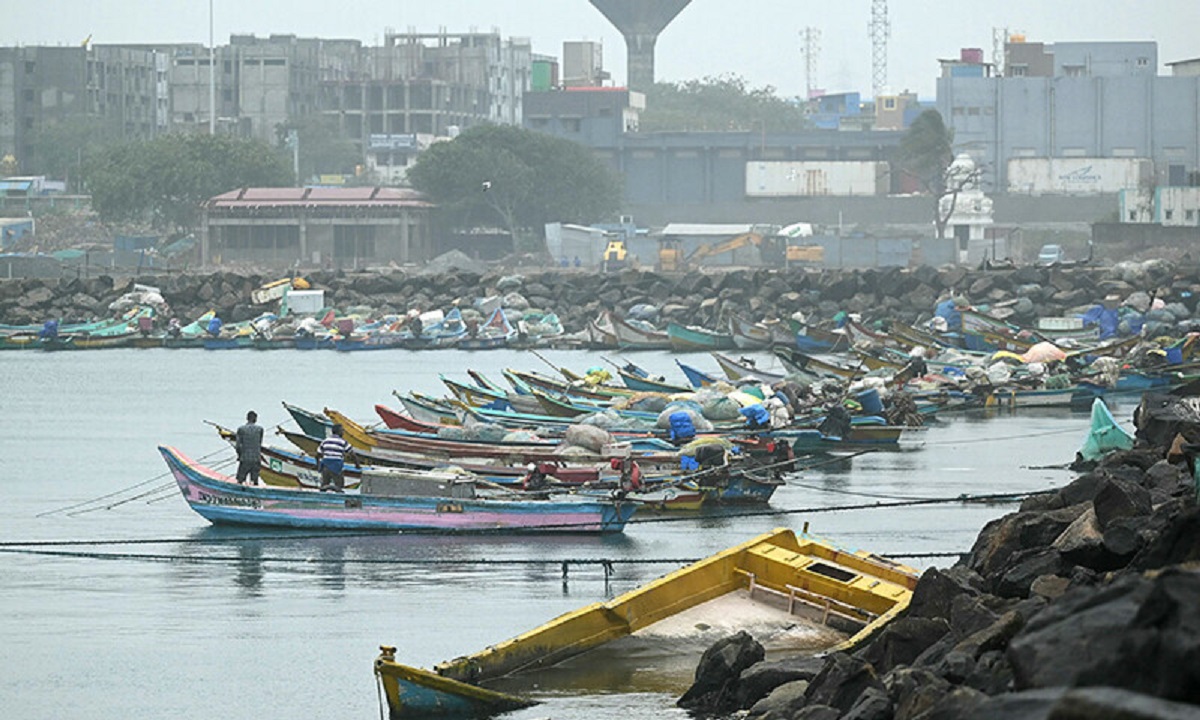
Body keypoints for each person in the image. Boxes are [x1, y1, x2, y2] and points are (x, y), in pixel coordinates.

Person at [317, 424, 353, 492]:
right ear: (339, 432)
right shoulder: (343, 442)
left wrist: (318, 465)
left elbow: (318, 454)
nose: (343, 432)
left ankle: (322, 498)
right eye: (342, 431)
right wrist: (357, 465)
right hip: (336, 466)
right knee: (339, 485)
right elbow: (352, 454)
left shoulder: (325, 441)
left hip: (325, 466)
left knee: (324, 484)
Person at [234, 411, 263, 486]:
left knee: (240, 480)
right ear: (255, 419)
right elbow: (259, 444)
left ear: (247, 418)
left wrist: (239, 456)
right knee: (255, 481)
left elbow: (238, 446)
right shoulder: (260, 429)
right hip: (256, 459)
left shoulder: (241, 429)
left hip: (245, 458)